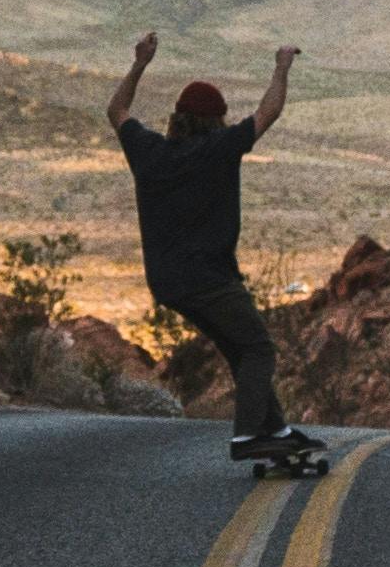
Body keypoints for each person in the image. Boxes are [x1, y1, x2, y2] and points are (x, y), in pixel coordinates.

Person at [106, 32, 300, 445]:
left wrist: (140, 64)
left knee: (239, 349)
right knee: (259, 349)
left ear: (177, 118)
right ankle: (249, 436)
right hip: (210, 278)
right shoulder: (220, 147)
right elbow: (269, 111)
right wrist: (282, 67)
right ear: (216, 120)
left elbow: (117, 110)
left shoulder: (149, 151)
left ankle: (277, 430)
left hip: (166, 281)